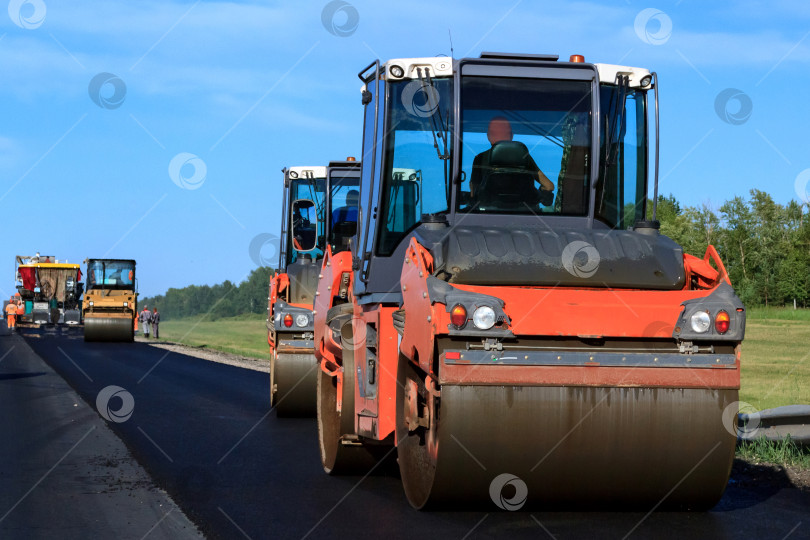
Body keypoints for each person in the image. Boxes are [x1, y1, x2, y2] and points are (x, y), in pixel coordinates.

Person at [469, 116, 555, 206]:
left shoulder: (480, 158)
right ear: (511, 136)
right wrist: (537, 195)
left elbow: (474, 191)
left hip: (487, 216)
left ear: (488, 136)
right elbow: (549, 186)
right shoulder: (524, 157)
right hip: (525, 215)